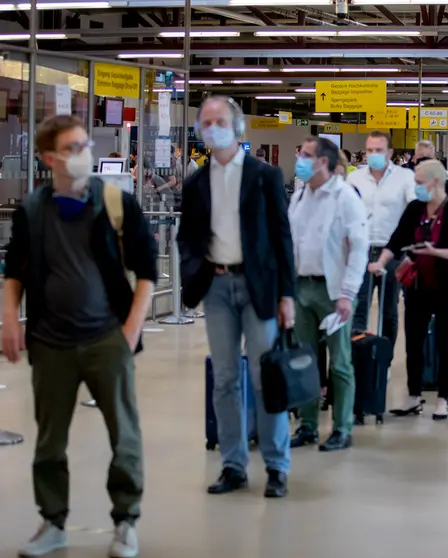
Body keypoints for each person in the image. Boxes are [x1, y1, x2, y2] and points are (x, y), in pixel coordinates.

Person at [4, 115, 157, 558]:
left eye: (85, 145)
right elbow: (15, 269)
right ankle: (53, 522)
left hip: (107, 338)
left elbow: (147, 270)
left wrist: (131, 329)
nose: (83, 154)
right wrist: (11, 318)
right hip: (50, 342)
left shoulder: (115, 204)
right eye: (72, 147)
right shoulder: (33, 210)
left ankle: (126, 521)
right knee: (50, 439)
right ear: (49, 158)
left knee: (124, 434)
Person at [178, 96, 295, 499]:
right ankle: (233, 464)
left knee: (266, 377)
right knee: (225, 379)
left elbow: (282, 238)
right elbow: (187, 238)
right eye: (206, 121)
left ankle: (277, 465)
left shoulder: (265, 176)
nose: (213, 127)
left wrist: (287, 295)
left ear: (237, 126)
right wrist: (193, 276)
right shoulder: (195, 183)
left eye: (220, 120)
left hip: (258, 286)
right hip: (217, 288)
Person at [368, 160, 448, 419]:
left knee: (445, 344)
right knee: (413, 342)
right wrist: (380, 262)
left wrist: (432, 250)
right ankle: (414, 396)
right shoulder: (415, 209)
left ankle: (443, 399)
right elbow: (397, 239)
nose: (416, 188)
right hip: (417, 286)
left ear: (435, 182)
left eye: (419, 183)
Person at [287, 137, 368, 452]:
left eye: (306, 155)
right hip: (301, 286)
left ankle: (341, 428)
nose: (300, 159)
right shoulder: (300, 196)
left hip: (334, 291)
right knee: (305, 360)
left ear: (323, 162)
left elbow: (359, 247)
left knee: (340, 363)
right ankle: (308, 425)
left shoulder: (345, 197)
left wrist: (348, 294)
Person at [348, 131, 416, 345]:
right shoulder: (354, 178)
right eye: (370, 150)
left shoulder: (404, 178)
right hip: (361, 252)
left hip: (393, 251)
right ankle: (359, 357)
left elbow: (413, 213)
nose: (373, 155)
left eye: (378, 150)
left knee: (389, 310)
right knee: (358, 306)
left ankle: (383, 359)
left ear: (389, 152)